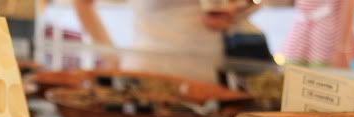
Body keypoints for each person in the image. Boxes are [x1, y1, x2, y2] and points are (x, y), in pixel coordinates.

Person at [73, 0, 259, 82]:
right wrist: (111, 58)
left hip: (208, 73)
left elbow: (251, 2)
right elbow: (82, 3)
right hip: (148, 73)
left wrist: (237, 10)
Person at [283, 0, 354, 67]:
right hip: (300, 27)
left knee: (320, 67)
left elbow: (347, 11)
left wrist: (342, 48)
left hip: (326, 31)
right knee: (291, 65)